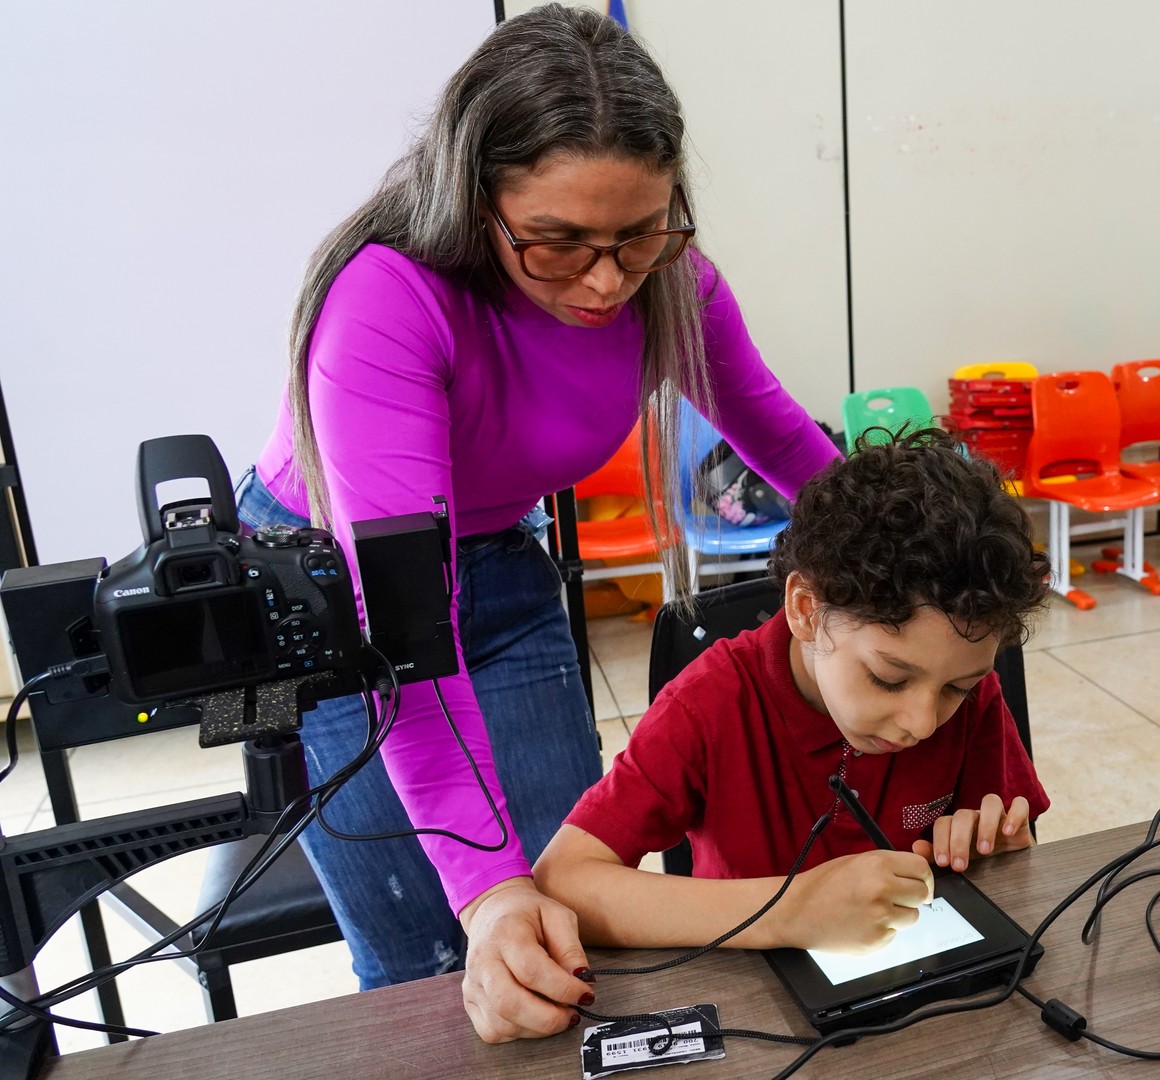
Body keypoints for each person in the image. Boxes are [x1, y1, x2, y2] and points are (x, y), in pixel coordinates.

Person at [235, 4, 840, 1043]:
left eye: (637, 235)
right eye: (559, 244)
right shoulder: (388, 300)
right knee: (441, 954)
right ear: (477, 201)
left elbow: (783, 443)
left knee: (574, 904)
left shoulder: (674, 286)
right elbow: (408, 636)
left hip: (498, 566)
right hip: (338, 600)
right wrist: (486, 894)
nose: (607, 281)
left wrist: (916, 547)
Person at [535, 429, 1052, 955]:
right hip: (756, 1000)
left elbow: (1010, 851)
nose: (922, 722)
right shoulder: (707, 705)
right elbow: (562, 881)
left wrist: (1002, 855)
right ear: (807, 610)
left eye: (956, 689)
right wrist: (789, 912)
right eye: (888, 678)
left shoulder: (972, 695)